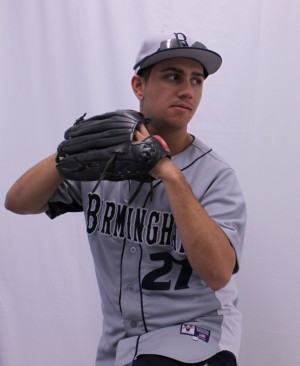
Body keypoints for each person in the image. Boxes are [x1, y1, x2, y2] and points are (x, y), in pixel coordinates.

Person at [5, 32, 247, 366]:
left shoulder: (216, 176)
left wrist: (170, 173)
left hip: (196, 335)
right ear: (139, 86)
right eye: (173, 76)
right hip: (120, 343)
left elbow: (219, 274)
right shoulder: (105, 161)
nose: (187, 90)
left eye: (197, 80)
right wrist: (67, 153)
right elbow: (18, 202)